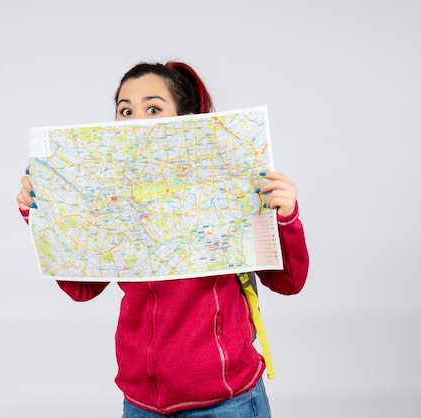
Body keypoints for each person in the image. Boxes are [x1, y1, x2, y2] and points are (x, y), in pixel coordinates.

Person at [16, 61, 309, 417]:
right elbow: (82, 290)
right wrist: (46, 215)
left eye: (153, 108)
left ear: (184, 118)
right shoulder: (112, 197)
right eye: (125, 111)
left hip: (225, 402)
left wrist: (286, 218)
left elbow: (288, 282)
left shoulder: (226, 183)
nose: (136, 120)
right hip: (141, 404)